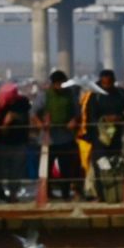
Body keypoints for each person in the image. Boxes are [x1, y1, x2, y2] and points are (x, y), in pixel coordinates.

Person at [78, 69, 124, 203]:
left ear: (113, 81)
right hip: (99, 139)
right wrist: (105, 119)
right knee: (100, 166)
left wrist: (118, 118)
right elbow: (90, 117)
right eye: (104, 83)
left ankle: (116, 194)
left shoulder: (121, 94)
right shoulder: (94, 96)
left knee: (116, 165)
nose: (106, 86)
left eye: (109, 83)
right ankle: (99, 195)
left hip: (117, 137)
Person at [37, 71, 83, 200]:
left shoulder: (71, 95)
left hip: (66, 138)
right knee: (46, 168)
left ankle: (65, 194)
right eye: (57, 84)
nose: (60, 86)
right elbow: (34, 113)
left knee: (66, 169)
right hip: (49, 139)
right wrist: (41, 125)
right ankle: (47, 193)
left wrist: (74, 121)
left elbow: (78, 113)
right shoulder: (44, 96)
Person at [0, 82, 31, 202]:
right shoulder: (0, 106)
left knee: (16, 171)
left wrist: (13, 117)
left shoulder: (22, 102)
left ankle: (13, 194)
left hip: (19, 142)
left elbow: (26, 118)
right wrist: (4, 125)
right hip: (3, 142)